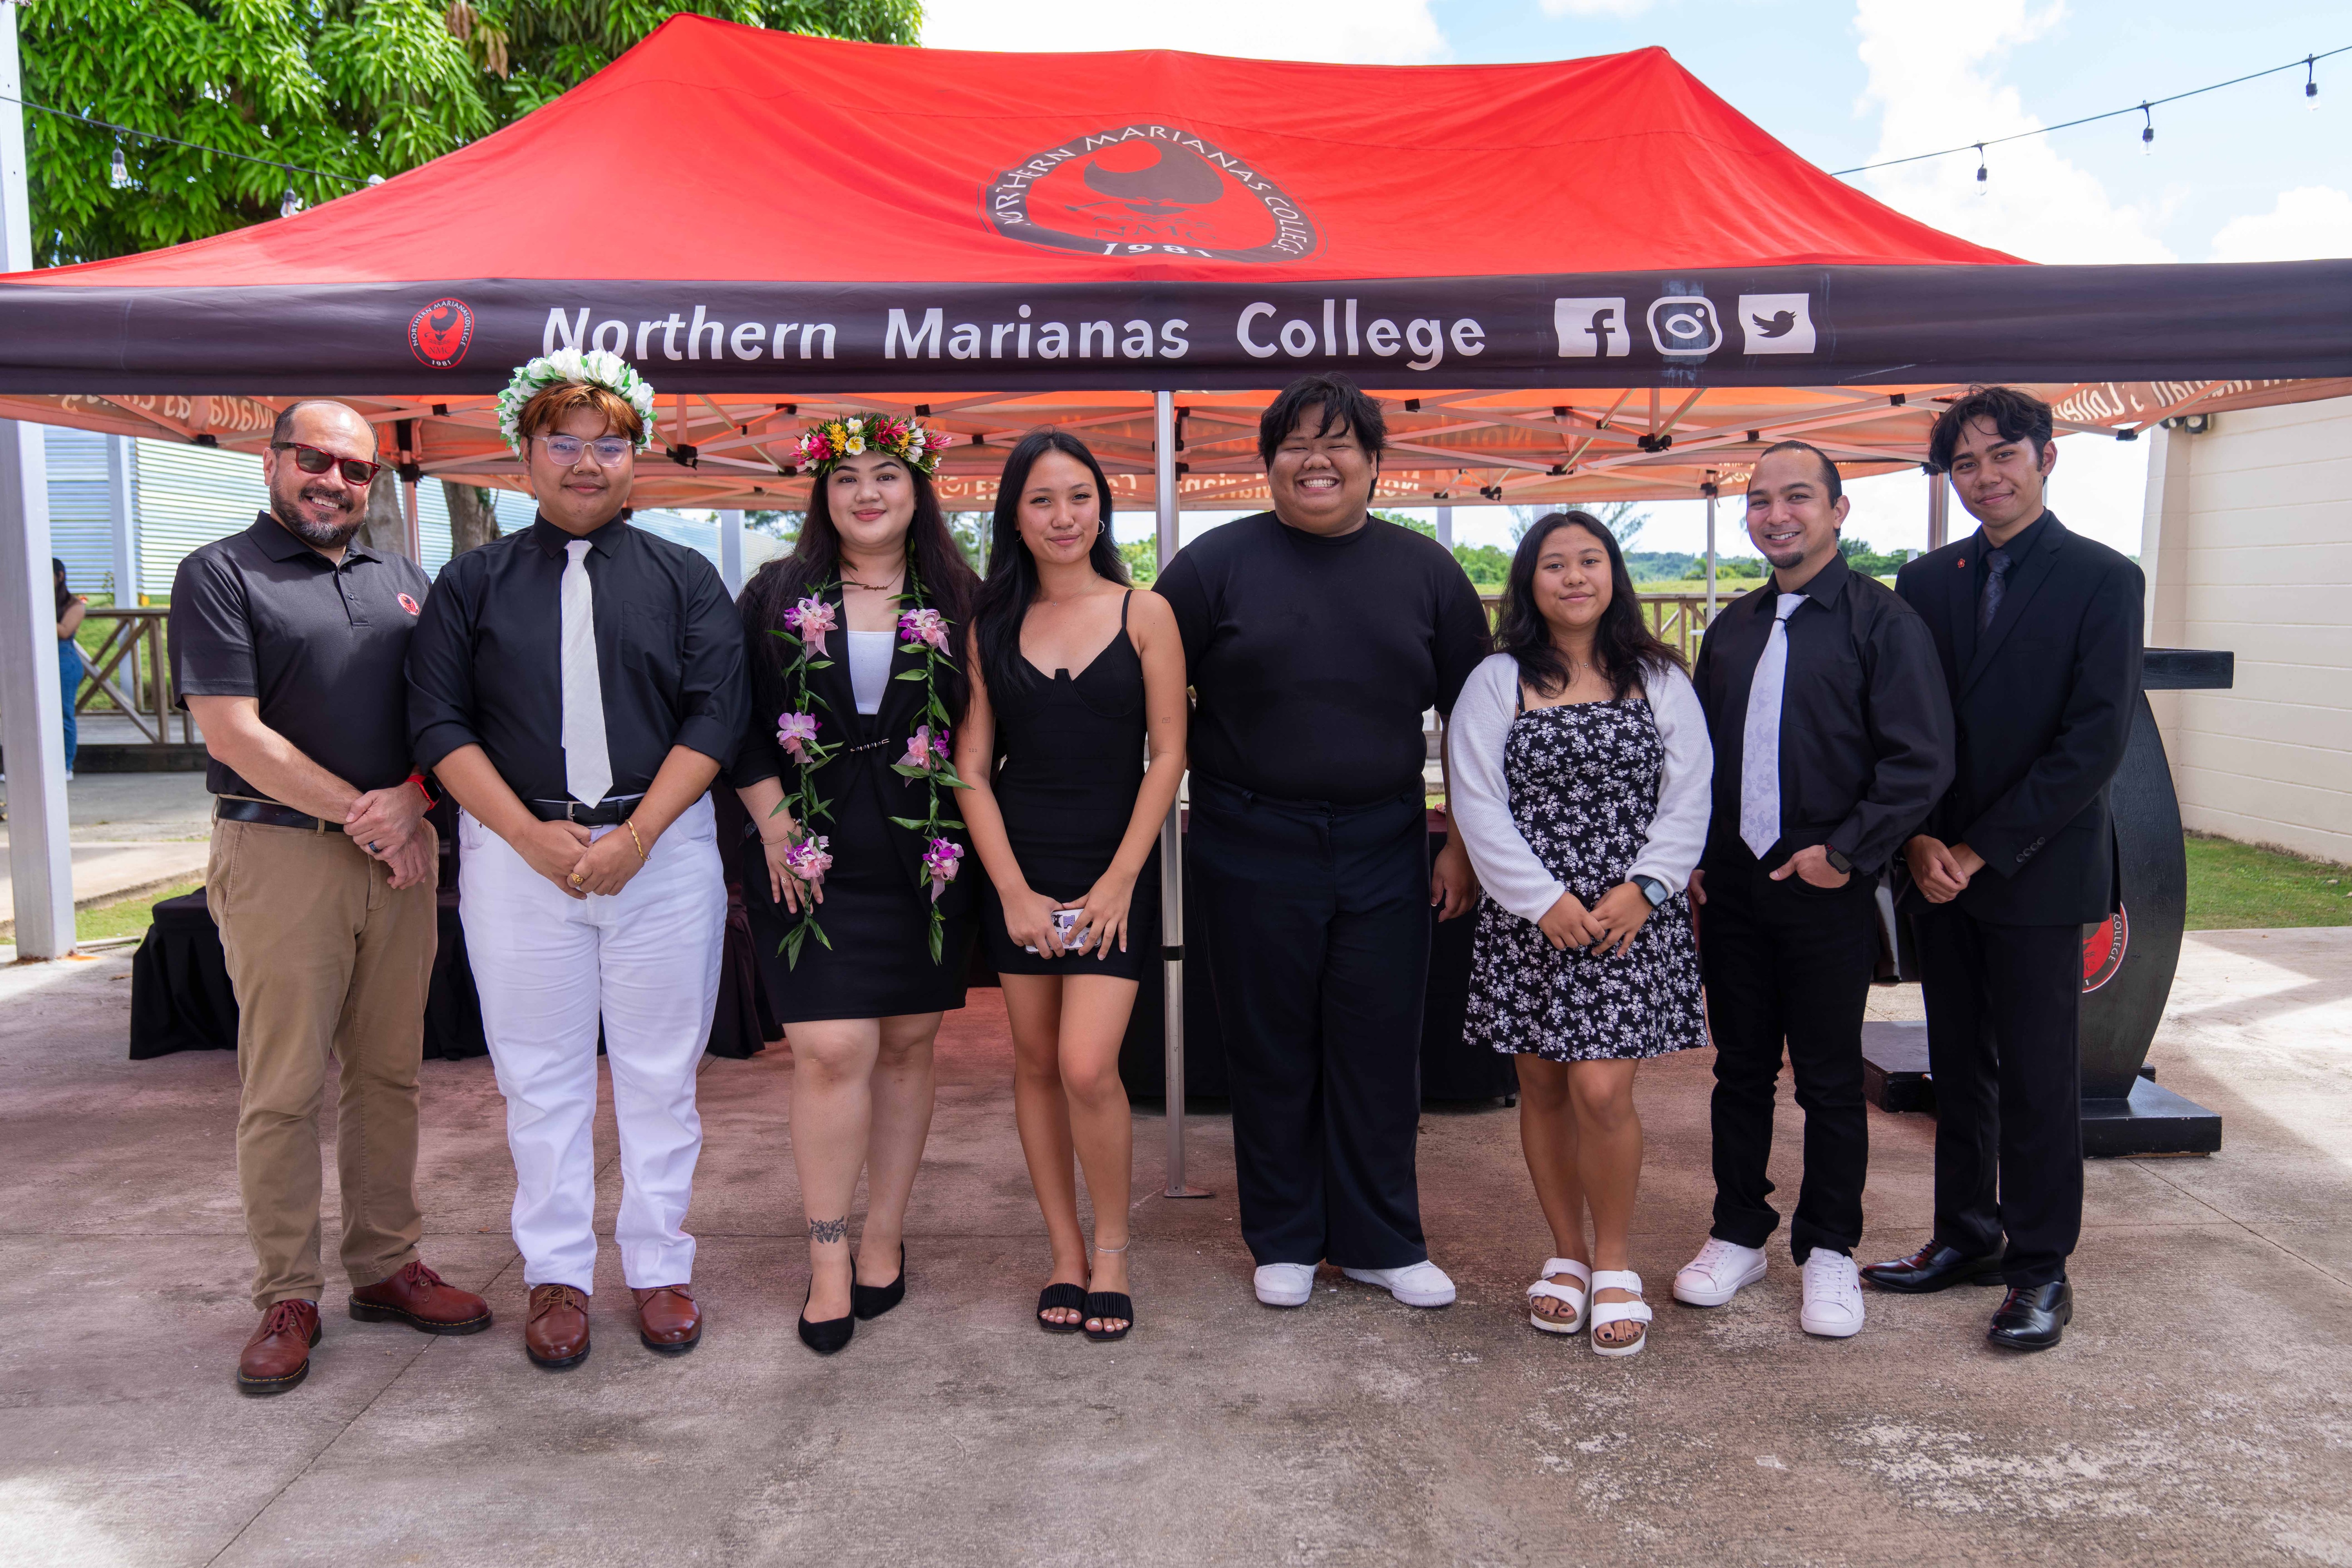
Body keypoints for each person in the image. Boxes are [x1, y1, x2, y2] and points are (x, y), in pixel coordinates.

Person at [407, 353, 745, 1369]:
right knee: (540, 1078)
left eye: (609, 444)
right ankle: (556, 1273)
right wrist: (526, 835)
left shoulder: (687, 578)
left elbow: (717, 712)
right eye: (565, 442)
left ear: (637, 460)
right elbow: (436, 719)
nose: (587, 463)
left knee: (658, 1074)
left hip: (663, 850)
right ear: (525, 456)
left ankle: (658, 1266)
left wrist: (637, 837)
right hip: (520, 858)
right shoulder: (470, 583)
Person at [171, 399, 487, 1395]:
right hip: (281, 856)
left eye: (357, 470)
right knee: (284, 1086)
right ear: (273, 462)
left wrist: (420, 801)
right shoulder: (220, 573)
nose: (336, 482)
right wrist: (375, 814)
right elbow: (234, 733)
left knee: (389, 1074)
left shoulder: (405, 581)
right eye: (316, 460)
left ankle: (385, 1266)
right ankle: (287, 1293)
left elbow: (447, 715)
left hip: (401, 857)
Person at [1155, 371, 1489, 1312]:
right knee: (1271, 1044)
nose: (1318, 459)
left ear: (1375, 465)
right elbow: (1144, 692)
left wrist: (1461, 843)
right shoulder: (1210, 568)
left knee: (1379, 1043)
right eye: (1296, 443)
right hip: (1248, 836)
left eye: (1339, 443)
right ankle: (1287, 1235)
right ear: (1267, 466)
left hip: (1388, 837)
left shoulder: (1427, 573)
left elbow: (1477, 721)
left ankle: (1383, 1237)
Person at [1866, 387, 2144, 1352]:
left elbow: (2094, 739)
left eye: (2002, 457)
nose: (1985, 477)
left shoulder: (2103, 578)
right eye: (1966, 465)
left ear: (2045, 456)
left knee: (2035, 1075)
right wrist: (1918, 841)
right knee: (1960, 1067)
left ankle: (2040, 1268)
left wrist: (1981, 847)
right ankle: (1966, 1236)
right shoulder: (1927, 579)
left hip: (2033, 864)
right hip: (1936, 863)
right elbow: (1902, 722)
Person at [1672, 441, 1951, 1339]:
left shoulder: (1883, 623)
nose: (1776, 514)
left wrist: (1848, 853)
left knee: (1830, 1078)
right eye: (1760, 500)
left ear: (1838, 511)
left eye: (1797, 497)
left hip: (1827, 888)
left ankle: (1830, 1247)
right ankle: (1737, 1230)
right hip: (1738, 891)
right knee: (1739, 1069)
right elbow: (1708, 759)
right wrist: (1701, 857)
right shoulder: (1734, 629)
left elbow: (1921, 760)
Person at [731, 412, 981, 1356]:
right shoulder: (775, 592)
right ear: (821, 493)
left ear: (918, 490)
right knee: (831, 1051)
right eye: (847, 478)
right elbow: (735, 717)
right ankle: (828, 1251)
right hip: (808, 849)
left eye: (887, 474)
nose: (867, 492)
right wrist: (771, 819)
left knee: (911, 1046)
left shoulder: (964, 597)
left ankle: (885, 1236)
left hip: (927, 852)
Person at [1451, 512, 1711, 1356]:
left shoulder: (1657, 675)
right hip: (1532, 917)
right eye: (1553, 564)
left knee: (1602, 1091)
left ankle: (1614, 1263)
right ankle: (1562, 1255)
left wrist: (1644, 888)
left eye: (1588, 561)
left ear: (1612, 575)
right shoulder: (1496, 679)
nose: (1572, 577)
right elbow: (1475, 799)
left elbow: (1689, 793)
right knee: (1543, 1088)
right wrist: (1539, 899)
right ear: (1528, 581)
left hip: (1626, 920)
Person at [954, 430, 1188, 1343]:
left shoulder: (1146, 611)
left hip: (1114, 869)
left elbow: (1169, 752)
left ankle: (1115, 1251)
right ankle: (1063, 1249)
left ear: (1103, 506)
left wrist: (1123, 879)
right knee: (1038, 1066)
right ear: (1015, 513)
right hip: (1019, 864)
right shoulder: (987, 624)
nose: (1064, 516)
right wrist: (1008, 889)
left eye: (1080, 496)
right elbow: (971, 765)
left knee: (1090, 1067)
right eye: (1043, 499)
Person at [54, 558, 84, 777]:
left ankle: (66, 766)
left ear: (60, 576)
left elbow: (65, 631)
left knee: (64, 714)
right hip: (31, 661)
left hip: (64, 660)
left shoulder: (74, 604)